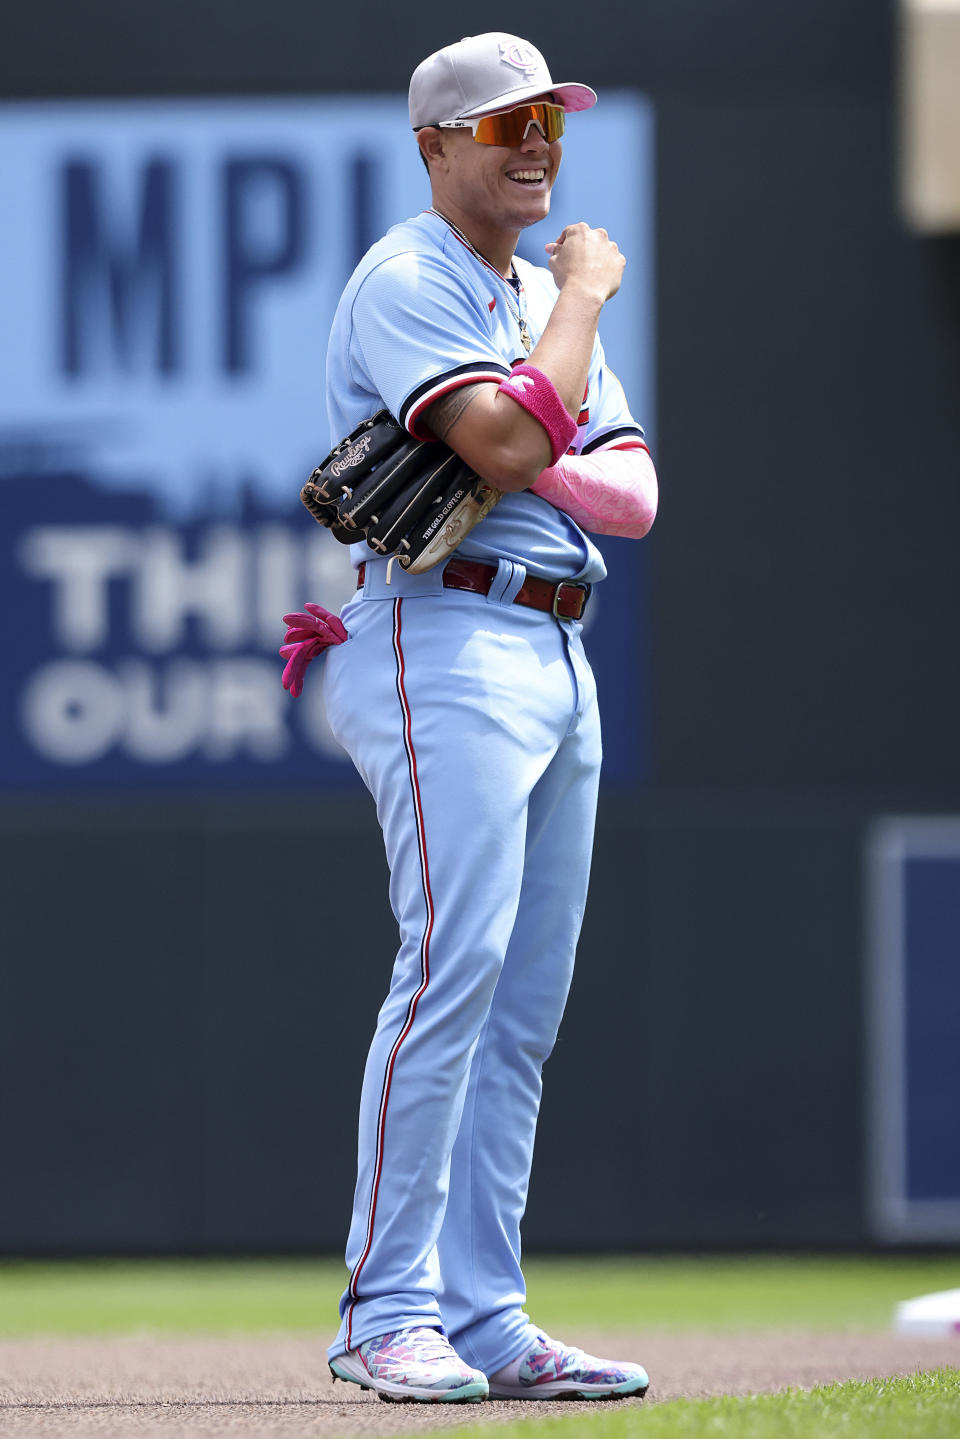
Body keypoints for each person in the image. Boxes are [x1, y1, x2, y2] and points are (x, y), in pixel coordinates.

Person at [303, 32, 658, 1404]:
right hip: (438, 629)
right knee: (451, 972)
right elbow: (513, 445)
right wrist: (576, 309)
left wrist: (533, 415)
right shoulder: (413, 279)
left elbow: (629, 494)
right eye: (505, 124)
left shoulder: (523, 305)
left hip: (558, 647)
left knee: (522, 1007)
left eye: (549, 121)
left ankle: (488, 1316)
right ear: (437, 145)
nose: (536, 146)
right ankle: (385, 1310)